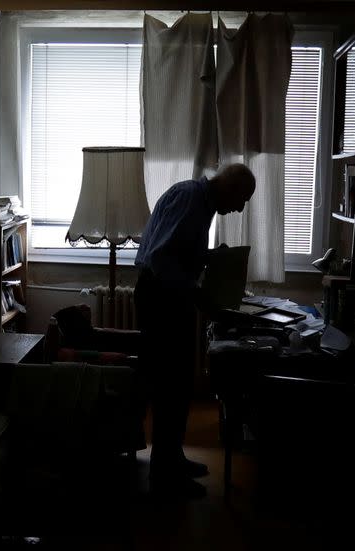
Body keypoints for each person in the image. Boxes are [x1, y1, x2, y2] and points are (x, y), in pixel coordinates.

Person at [134, 163, 256, 498]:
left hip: (167, 296)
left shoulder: (199, 202)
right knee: (170, 387)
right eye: (242, 198)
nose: (241, 207)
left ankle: (173, 458)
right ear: (228, 187)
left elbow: (177, 252)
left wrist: (209, 258)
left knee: (180, 384)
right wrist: (198, 294)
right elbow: (160, 260)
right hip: (161, 299)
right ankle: (164, 473)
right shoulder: (191, 199)